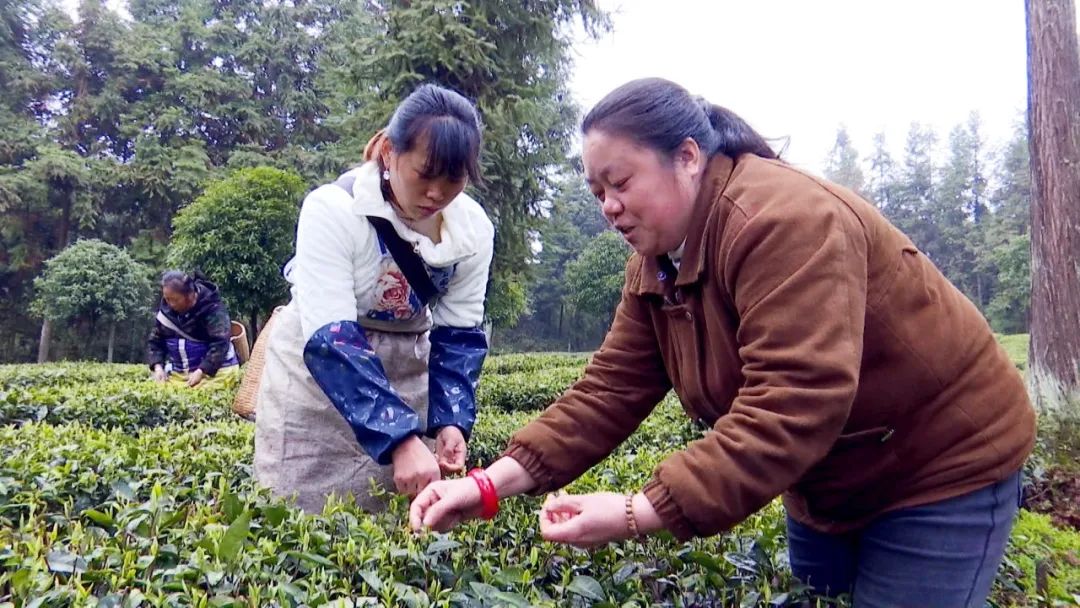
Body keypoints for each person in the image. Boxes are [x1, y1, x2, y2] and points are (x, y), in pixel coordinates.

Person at [409, 78, 1035, 608]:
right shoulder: (655, 261)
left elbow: (795, 401)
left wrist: (638, 511)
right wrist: (487, 486)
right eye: (597, 192)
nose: (609, 206)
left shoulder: (783, 221)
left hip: (940, 466)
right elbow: (611, 388)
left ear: (687, 157)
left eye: (620, 181)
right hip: (830, 477)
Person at [253, 83, 494, 514]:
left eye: (453, 178)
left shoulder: (473, 231)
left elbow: (459, 332)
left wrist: (452, 420)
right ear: (388, 152)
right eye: (425, 173)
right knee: (297, 512)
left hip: (404, 372)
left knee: (390, 519)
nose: (437, 194)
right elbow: (332, 337)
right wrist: (399, 437)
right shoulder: (332, 209)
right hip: (317, 378)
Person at [147, 270, 240, 388]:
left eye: (175, 300)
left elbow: (220, 343)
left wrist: (202, 371)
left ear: (190, 295)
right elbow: (156, 341)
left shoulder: (212, 309)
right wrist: (158, 367)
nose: (170, 304)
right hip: (179, 375)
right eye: (167, 299)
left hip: (215, 374)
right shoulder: (166, 312)